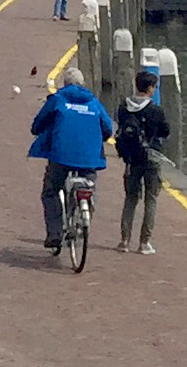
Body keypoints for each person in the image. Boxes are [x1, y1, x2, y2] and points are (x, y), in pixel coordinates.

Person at [28, 70, 116, 251]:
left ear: (65, 84)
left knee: (51, 191)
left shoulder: (58, 99)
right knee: (89, 185)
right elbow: (108, 129)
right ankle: (85, 218)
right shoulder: (94, 102)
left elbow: (38, 125)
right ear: (83, 84)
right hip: (89, 157)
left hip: (61, 155)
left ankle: (54, 233)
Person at [115, 68, 171, 254]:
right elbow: (165, 131)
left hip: (132, 158)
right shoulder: (155, 110)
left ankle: (124, 241)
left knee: (130, 198)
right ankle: (144, 242)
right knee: (151, 199)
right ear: (149, 88)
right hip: (152, 156)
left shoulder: (124, 107)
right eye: (154, 87)